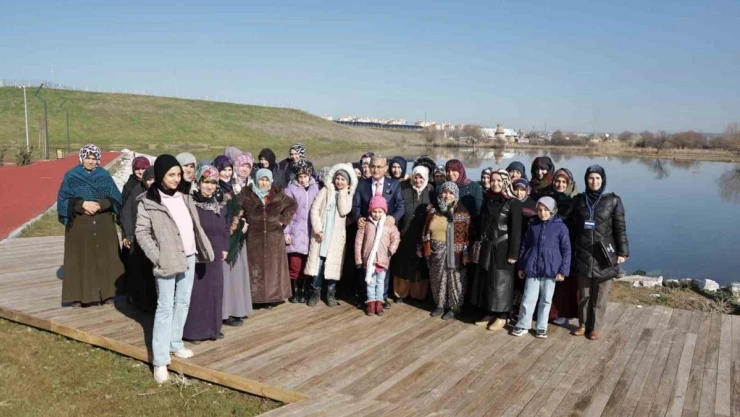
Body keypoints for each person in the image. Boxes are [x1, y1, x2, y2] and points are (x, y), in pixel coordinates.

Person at [135, 154, 214, 384]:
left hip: (189, 255)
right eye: (171, 175)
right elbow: (142, 233)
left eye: (178, 174)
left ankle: (175, 342)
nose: (176, 178)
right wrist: (157, 257)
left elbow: (193, 225)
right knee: (165, 307)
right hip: (166, 259)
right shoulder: (148, 202)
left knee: (183, 301)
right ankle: (160, 360)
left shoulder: (185, 197)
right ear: (161, 175)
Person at [57, 144, 125, 308]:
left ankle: (108, 293)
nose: (90, 161)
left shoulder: (104, 176)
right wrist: (81, 204)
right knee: (79, 259)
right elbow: (63, 200)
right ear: (82, 158)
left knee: (105, 258)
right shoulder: (71, 176)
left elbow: (116, 198)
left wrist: (101, 204)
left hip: (103, 223)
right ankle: (78, 296)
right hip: (80, 225)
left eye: (94, 158)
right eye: (88, 158)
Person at [570, 165, 629, 340]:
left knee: (600, 294)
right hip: (583, 251)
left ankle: (595, 327)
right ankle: (583, 324)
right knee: (584, 293)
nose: (594, 182)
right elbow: (572, 226)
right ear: (586, 180)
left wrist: (623, 252)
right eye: (591, 178)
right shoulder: (579, 200)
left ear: (602, 180)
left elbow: (620, 228)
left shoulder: (613, 200)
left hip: (604, 253)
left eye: (597, 178)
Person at [510, 197, 571, 339]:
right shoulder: (533, 225)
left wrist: (563, 271)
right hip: (532, 268)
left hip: (551, 270)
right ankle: (523, 324)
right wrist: (521, 266)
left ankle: (541, 327)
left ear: (552, 210)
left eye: (545, 210)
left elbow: (566, 250)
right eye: (539, 210)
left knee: (546, 300)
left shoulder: (561, 227)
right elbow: (524, 247)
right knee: (528, 298)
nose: (542, 213)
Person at [470, 169, 522, 331]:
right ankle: (490, 312)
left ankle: (502, 315)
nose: (495, 183)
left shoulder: (513, 203)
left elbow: (516, 230)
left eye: (499, 180)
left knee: (502, 281)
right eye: (493, 180)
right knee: (488, 280)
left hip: (503, 248)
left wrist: (513, 253)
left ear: (506, 182)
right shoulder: (488, 200)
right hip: (487, 247)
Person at [183, 165, 229, 344]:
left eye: (213, 182)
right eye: (206, 182)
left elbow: (225, 227)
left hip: (216, 253)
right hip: (198, 253)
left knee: (215, 290)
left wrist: (225, 247)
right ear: (198, 181)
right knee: (198, 292)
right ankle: (195, 331)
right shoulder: (191, 203)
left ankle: (213, 329)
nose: (210, 186)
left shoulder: (220, 203)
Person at [239, 168, 297, 308]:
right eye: (261, 180)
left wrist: (283, 220)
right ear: (256, 180)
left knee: (272, 268)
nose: (264, 183)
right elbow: (234, 207)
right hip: (254, 237)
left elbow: (292, 204)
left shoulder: (277, 194)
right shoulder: (246, 194)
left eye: (266, 180)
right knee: (255, 268)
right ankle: (255, 298)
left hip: (273, 236)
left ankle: (271, 298)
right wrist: (242, 220)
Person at [352, 155, 405, 308]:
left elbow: (400, 205)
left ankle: (382, 297)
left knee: (383, 263)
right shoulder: (362, 184)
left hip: (385, 232)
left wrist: (394, 218)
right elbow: (356, 206)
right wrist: (358, 218)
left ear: (385, 168)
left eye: (379, 167)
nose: (375, 170)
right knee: (365, 262)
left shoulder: (394, 184)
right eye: (373, 166)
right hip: (368, 230)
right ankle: (365, 296)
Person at [305, 164, 358, 307]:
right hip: (322, 233)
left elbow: (343, 211)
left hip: (336, 236)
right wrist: (317, 229)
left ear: (348, 182)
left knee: (334, 264)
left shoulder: (347, 195)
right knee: (318, 264)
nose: (339, 182)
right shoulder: (325, 190)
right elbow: (314, 209)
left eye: (343, 179)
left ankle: (331, 292)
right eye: (338, 178)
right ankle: (315, 291)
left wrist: (343, 193)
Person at [419, 181, 472, 320]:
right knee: (437, 278)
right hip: (436, 251)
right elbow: (425, 230)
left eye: (451, 193)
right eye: (444, 192)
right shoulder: (432, 210)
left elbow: (467, 235)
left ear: (456, 195)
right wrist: (424, 247)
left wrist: (466, 253)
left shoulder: (462, 212)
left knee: (455, 280)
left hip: (455, 252)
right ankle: (440, 305)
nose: (447, 196)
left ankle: (454, 308)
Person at [392, 164, 433, 303]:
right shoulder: (404, 191)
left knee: (420, 265)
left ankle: (418, 294)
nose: (418, 180)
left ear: (425, 178)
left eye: (421, 178)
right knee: (403, 263)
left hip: (422, 234)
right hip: (405, 232)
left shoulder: (430, 192)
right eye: (416, 177)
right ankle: (400, 294)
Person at [220, 156, 253, 326]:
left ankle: (238, 309)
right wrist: (240, 224)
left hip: (237, 238)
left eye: (228, 170)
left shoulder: (232, 188)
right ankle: (226, 312)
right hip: (226, 240)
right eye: (223, 170)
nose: (226, 173)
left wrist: (243, 222)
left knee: (237, 276)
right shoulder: (217, 190)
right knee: (227, 277)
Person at [355, 196, 401, 316]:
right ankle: (371, 304)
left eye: (380, 211)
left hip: (382, 259)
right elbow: (358, 242)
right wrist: (358, 259)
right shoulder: (366, 224)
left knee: (380, 282)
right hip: (369, 260)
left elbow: (396, 238)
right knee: (370, 282)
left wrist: (391, 251)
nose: (377, 214)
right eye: (374, 211)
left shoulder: (389, 225)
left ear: (384, 211)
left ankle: (379, 304)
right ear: (370, 211)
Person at [120, 166, 157, 312]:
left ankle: (154, 302)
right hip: (138, 237)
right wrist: (128, 234)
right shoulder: (136, 191)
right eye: (149, 179)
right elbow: (126, 213)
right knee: (140, 272)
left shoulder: (161, 192)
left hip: (156, 239)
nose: (152, 182)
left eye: (155, 179)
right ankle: (141, 303)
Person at [546, 168, 579, 325]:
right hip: (552, 244)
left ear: (569, 183)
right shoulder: (549, 198)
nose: (560, 184)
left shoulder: (575, 200)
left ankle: (566, 312)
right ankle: (553, 312)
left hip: (569, 244)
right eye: (557, 181)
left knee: (567, 281)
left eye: (564, 182)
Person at [284, 161, 319, 303]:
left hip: (311, 231)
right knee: (295, 263)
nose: (302, 179)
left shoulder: (316, 188)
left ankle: (304, 289)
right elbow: (286, 212)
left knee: (306, 263)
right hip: (296, 231)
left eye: (305, 176)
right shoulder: (290, 189)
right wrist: (286, 232)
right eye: (300, 176)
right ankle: (294, 290)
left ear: (309, 175)